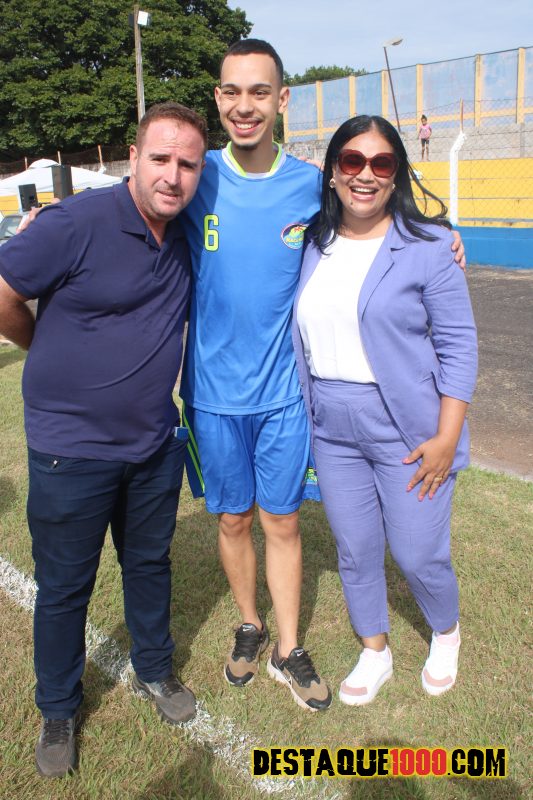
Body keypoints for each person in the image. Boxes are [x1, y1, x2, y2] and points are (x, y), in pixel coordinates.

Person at [178, 40, 466, 712]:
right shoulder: (198, 176)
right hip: (213, 396)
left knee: (282, 521)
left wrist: (446, 232)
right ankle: (248, 626)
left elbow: (378, 208)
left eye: (259, 91)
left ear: (281, 99)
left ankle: (288, 646)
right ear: (217, 97)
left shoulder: (311, 183)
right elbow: (139, 201)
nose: (244, 105)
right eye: (232, 91)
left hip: (286, 396)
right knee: (231, 520)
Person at [0, 102, 207, 777]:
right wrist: (43, 347)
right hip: (70, 449)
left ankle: (154, 668)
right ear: (133, 157)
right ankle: (59, 708)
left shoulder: (189, 233)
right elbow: (3, 291)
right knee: (65, 587)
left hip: (152, 444)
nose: (172, 176)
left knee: (149, 565)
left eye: (187, 164)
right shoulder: (75, 222)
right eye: (160, 158)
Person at [292, 114, 477, 707]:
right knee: (355, 548)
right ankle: (375, 649)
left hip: (408, 427)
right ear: (332, 172)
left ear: (396, 173)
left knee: (417, 551)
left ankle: (445, 632)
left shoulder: (429, 247)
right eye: (352, 161)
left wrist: (447, 437)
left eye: (381, 162)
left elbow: (459, 346)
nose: (365, 174)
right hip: (332, 425)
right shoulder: (311, 243)